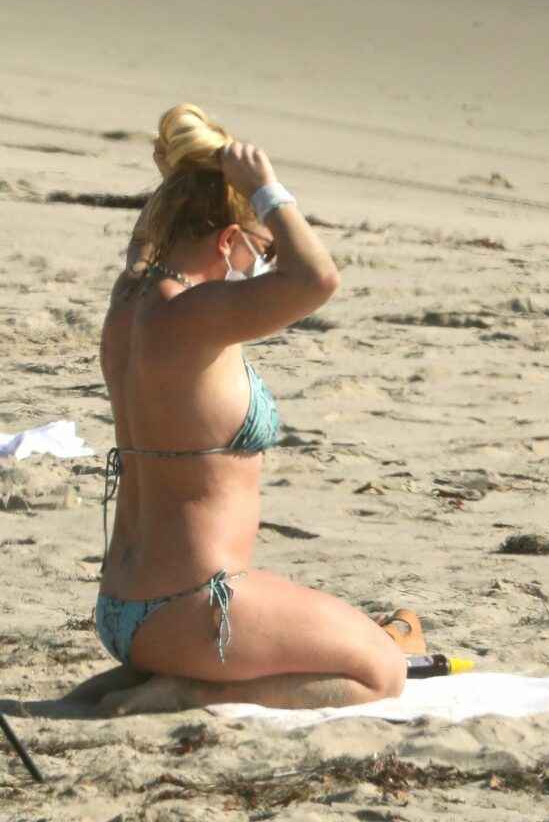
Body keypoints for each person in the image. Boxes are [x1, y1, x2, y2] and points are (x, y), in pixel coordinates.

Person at [69, 104, 423, 716]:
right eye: (261, 248)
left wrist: (197, 176)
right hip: (193, 607)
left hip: (121, 607)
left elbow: (153, 235)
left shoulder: (129, 295)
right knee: (383, 670)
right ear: (228, 240)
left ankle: (154, 674)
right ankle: (192, 689)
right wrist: (266, 190)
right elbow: (317, 278)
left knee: (365, 634)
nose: (265, 263)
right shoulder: (193, 314)